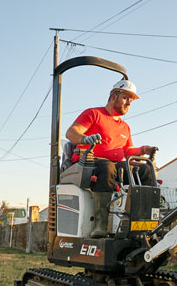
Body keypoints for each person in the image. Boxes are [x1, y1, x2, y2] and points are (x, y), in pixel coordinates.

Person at [65, 79, 158, 237]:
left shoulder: (124, 127)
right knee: (108, 167)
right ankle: (101, 225)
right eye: (126, 98)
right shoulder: (94, 114)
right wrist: (85, 139)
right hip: (88, 162)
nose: (129, 103)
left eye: (131, 100)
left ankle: (143, 223)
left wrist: (144, 150)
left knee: (145, 170)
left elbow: (127, 151)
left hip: (114, 165)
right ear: (114, 96)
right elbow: (71, 133)